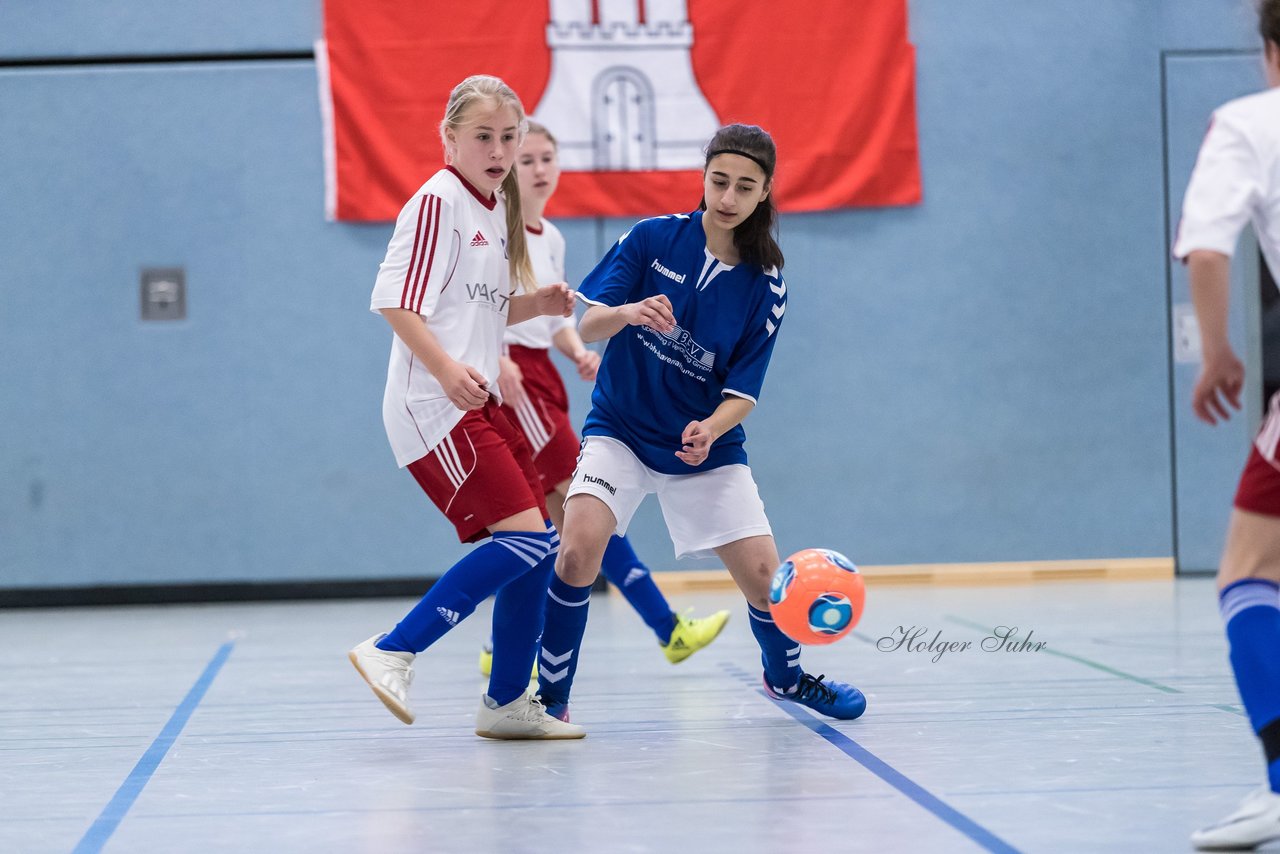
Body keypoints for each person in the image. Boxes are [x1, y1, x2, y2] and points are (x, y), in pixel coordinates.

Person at [531, 123, 867, 724]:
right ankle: (549, 701)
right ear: (704, 178)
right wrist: (628, 312)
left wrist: (711, 427)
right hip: (622, 431)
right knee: (577, 552)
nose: (729, 197)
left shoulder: (766, 287)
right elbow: (586, 327)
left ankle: (787, 681)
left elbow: (744, 393)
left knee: (768, 582)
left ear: (764, 193)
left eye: (745, 186)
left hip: (704, 449)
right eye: (719, 181)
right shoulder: (652, 239)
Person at [347, 75, 583, 740]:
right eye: (484, 136)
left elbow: (481, 307)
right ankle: (393, 648)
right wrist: (448, 369)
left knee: (536, 547)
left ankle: (506, 704)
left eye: (509, 137)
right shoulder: (438, 200)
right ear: (448, 138)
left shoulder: (491, 209)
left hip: (479, 399)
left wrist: (536, 305)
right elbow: (396, 300)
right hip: (435, 404)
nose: (500, 150)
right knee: (526, 539)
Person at [477, 120, 731, 679]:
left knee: (549, 522)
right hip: (516, 377)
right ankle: (667, 627)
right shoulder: (499, 230)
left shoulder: (553, 236)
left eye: (548, 157)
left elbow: (551, 315)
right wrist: (498, 360)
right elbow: (483, 306)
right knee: (584, 503)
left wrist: (576, 352)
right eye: (528, 159)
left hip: (543, 374)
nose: (539, 168)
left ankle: (504, 644)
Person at [1175, 3, 1280, 847]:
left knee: (1247, 571)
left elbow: (1208, 248)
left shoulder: (1250, 121)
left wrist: (1217, 352)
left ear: (1271, 53)